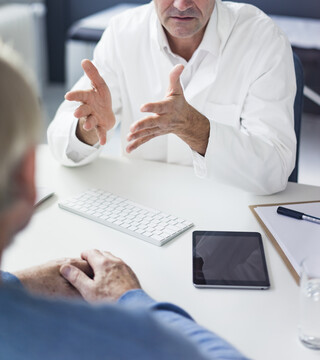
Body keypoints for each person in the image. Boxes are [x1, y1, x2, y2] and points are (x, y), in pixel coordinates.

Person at [0, 41, 250, 359]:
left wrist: (15, 284)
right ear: (28, 178)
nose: (181, 1)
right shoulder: (128, 342)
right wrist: (130, 298)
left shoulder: (260, 38)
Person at [48, 0, 296, 194]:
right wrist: (86, 129)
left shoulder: (263, 40)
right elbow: (58, 142)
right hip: (146, 210)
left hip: (227, 209)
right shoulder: (123, 33)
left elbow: (275, 169)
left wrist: (197, 129)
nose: (181, 3)